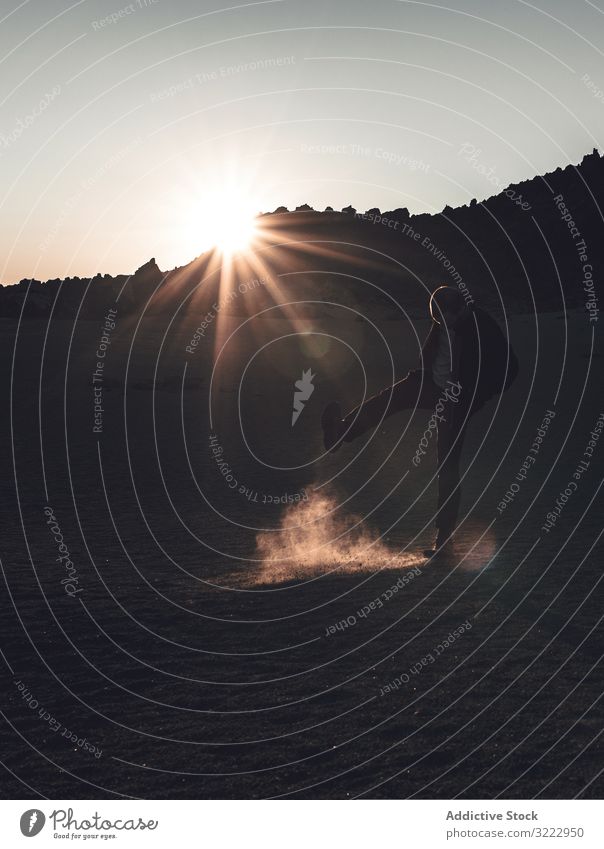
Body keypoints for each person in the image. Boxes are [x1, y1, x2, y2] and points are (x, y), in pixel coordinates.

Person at [321, 286, 518, 557]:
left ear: (459, 309)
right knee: (391, 398)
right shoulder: (441, 321)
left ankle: (444, 542)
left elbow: (511, 368)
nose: (442, 323)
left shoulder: (481, 325)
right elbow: (433, 353)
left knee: (447, 466)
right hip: (431, 385)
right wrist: (423, 374)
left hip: (457, 400)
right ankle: (341, 431)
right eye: (437, 319)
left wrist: (475, 395)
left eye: (445, 317)